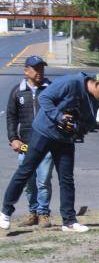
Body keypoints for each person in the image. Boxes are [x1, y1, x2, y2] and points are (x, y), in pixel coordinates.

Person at [0, 71, 99, 232]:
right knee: (26, 171)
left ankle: (69, 221)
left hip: (65, 140)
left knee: (66, 179)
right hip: (43, 132)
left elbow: (90, 123)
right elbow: (44, 98)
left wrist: (76, 126)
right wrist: (60, 117)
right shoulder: (71, 82)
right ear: (97, 84)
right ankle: (6, 212)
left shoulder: (94, 101)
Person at [6, 56, 53, 228]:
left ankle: (43, 214)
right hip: (26, 145)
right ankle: (32, 212)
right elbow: (11, 117)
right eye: (36, 69)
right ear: (26, 71)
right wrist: (13, 139)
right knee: (29, 181)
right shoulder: (17, 91)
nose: (40, 72)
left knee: (44, 180)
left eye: (42, 68)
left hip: (46, 144)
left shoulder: (51, 89)